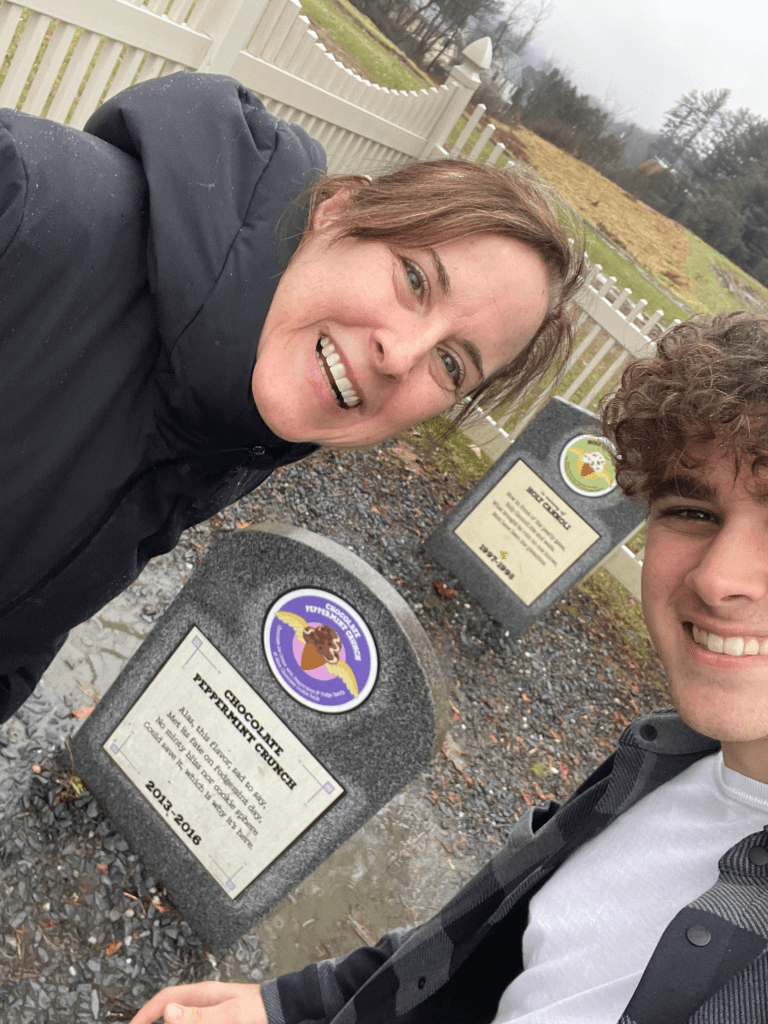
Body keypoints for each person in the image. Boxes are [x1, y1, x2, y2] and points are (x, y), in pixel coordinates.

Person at [132, 312, 768, 1024]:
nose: (719, 580)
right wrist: (293, 1005)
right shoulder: (660, 759)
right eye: (693, 510)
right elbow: (485, 951)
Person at [0, 70, 583, 723]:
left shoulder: (244, 429)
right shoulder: (26, 201)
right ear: (338, 210)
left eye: (451, 363)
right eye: (415, 279)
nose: (401, 354)